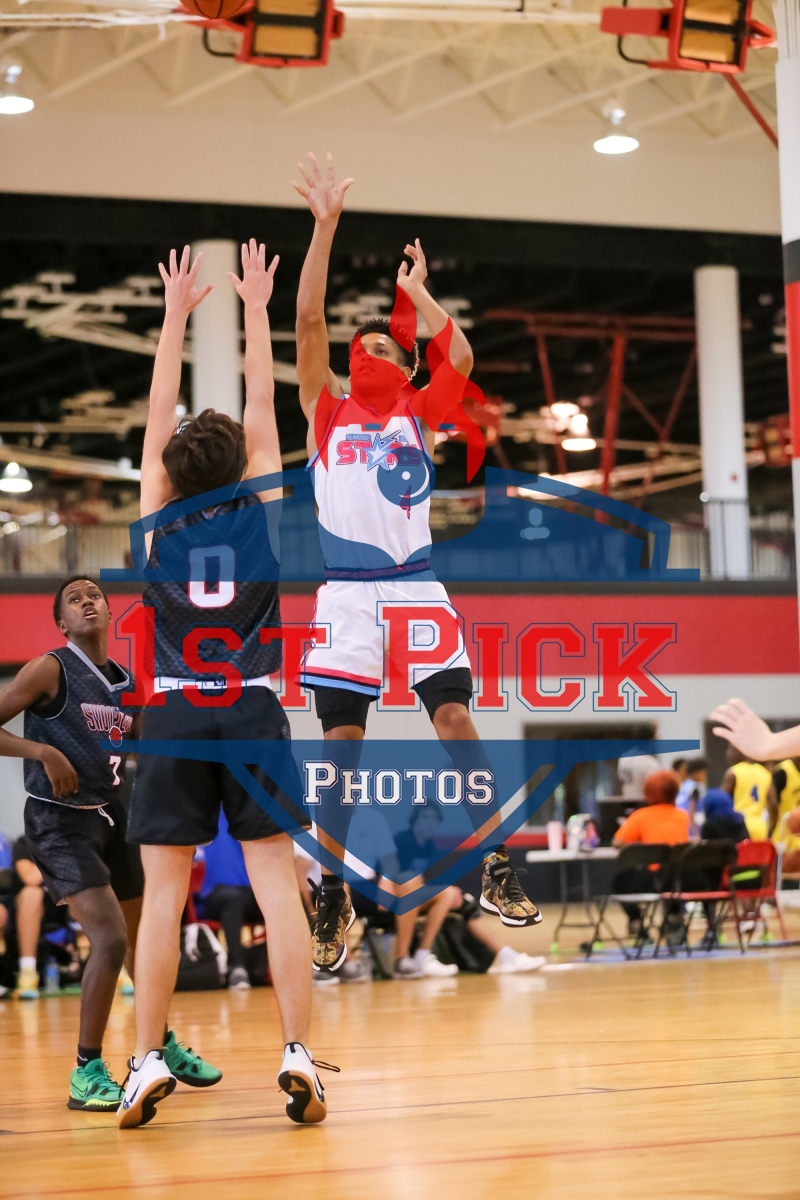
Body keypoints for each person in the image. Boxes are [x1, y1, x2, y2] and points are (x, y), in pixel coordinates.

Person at [292, 152, 541, 974]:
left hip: (415, 584)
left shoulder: (416, 409)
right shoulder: (325, 409)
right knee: (342, 747)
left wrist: (420, 296)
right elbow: (307, 319)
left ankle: (495, 862)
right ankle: (332, 888)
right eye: (358, 344)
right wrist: (325, 227)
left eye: (382, 343)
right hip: (345, 595)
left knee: (457, 721)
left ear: (400, 365)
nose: (367, 348)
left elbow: (459, 356)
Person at [120, 242, 326, 1129]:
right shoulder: (260, 507)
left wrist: (175, 315)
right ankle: (298, 1054)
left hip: (172, 708)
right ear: (245, 464)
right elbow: (262, 402)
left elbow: (156, 411)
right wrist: (254, 305)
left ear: (169, 470)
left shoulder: (157, 515)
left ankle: (142, 1062)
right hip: (250, 704)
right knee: (278, 885)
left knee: (164, 898)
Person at [0, 576, 219, 1109]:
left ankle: (158, 1041)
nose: (86, 602)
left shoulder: (126, 682)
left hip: (114, 817)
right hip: (59, 820)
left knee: (146, 942)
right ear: (62, 621)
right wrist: (43, 752)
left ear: (108, 608)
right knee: (111, 939)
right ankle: (85, 1071)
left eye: (94, 595)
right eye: (74, 599)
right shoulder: (50, 668)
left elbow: (149, 744)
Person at [393, 809, 545, 977]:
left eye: (433, 819)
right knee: (448, 894)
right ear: (414, 819)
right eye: (425, 817)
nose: (429, 822)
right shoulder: (403, 840)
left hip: (413, 896)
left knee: (466, 903)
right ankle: (416, 956)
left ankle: (506, 955)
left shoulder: (428, 845)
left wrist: (441, 891)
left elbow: (420, 881)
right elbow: (397, 879)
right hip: (397, 897)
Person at [611, 770, 689, 938]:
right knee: (671, 877)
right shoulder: (683, 816)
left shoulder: (641, 816)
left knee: (620, 882)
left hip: (651, 880)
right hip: (680, 879)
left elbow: (617, 842)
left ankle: (636, 922)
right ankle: (673, 917)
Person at [198, 811, 264, 990]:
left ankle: (303, 964)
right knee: (232, 898)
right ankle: (237, 967)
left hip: (250, 892)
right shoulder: (206, 813)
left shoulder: (250, 812)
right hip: (215, 894)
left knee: (284, 901)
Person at [720, 748, 775, 841]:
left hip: (738, 825)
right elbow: (773, 804)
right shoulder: (764, 773)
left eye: (732, 750)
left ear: (743, 752)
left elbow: (720, 801)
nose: (728, 754)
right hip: (759, 826)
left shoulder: (733, 772)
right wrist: (771, 830)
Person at [675, 757, 708, 837]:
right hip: (693, 828)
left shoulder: (683, 786)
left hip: (681, 825)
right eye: (704, 773)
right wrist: (696, 834)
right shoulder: (695, 787)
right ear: (697, 773)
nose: (705, 776)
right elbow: (691, 810)